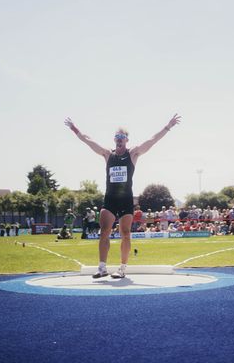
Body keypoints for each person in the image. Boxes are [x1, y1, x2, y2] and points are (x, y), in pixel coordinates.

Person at [65, 114, 181, 279]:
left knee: (125, 232)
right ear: (114, 139)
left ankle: (122, 268)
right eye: (117, 137)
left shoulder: (133, 154)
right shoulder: (107, 155)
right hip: (110, 199)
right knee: (104, 231)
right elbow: (87, 139)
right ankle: (102, 267)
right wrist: (74, 128)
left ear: (126, 139)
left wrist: (168, 126)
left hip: (126, 199)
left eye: (122, 137)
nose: (119, 139)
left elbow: (152, 140)